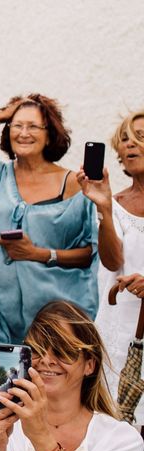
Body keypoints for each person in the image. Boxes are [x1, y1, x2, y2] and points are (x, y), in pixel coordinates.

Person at [0, 94, 99, 388]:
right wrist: (1, 113)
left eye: (33, 127)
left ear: (50, 133)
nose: (23, 133)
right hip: (3, 322)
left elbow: (90, 253)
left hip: (56, 323)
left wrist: (38, 253)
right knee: (7, 401)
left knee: (53, 405)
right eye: (16, 125)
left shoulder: (75, 182)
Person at [0, 300, 144, 451]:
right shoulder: (1, 424)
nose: (47, 360)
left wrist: (41, 436)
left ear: (90, 365)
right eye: (36, 349)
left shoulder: (122, 440)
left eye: (63, 350)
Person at [78, 110, 144, 425]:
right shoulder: (112, 203)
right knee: (116, 427)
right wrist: (104, 208)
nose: (131, 145)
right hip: (118, 331)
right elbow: (112, 261)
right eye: (125, 140)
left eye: (141, 137)